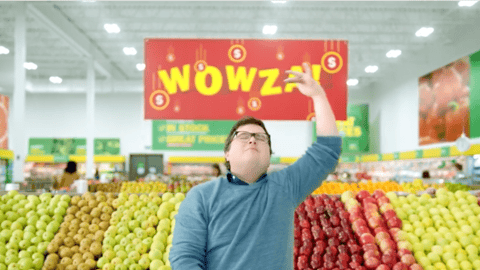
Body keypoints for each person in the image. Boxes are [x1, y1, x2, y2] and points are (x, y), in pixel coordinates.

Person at [170, 63, 341, 269]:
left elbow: (327, 151)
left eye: (261, 138)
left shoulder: (285, 187)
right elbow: (185, 258)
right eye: (243, 136)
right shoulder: (201, 196)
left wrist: (318, 95)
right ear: (227, 153)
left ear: (269, 155)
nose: (252, 140)